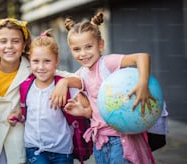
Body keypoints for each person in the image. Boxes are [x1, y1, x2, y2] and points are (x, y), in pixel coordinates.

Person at [58, 11, 156, 164]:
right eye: (77, 49)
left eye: (88, 47)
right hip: (99, 140)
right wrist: (84, 112)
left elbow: (142, 56)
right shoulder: (81, 74)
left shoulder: (107, 63)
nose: (83, 54)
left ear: (101, 45)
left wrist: (142, 84)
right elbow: (94, 110)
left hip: (121, 139)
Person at [0, 18, 80, 164]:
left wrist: (65, 82)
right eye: (3, 41)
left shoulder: (33, 67)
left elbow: (77, 79)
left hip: (19, 134)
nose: (9, 46)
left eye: (15, 41)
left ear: (24, 44)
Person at [7, 29, 92, 164]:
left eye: (47, 61)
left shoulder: (62, 83)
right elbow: (26, 112)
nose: (41, 67)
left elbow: (82, 84)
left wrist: (66, 84)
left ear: (56, 60)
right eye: (36, 61)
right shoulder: (25, 86)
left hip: (62, 150)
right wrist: (18, 116)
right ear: (30, 61)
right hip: (34, 148)